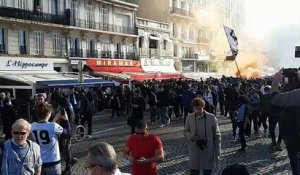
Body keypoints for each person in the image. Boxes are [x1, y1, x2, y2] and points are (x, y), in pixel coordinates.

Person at [271, 70, 300, 175]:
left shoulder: (293, 93)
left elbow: (274, 100)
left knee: (294, 159)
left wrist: (275, 83)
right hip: (292, 133)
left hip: (291, 135)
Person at [184, 98, 221, 175]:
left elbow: (217, 136)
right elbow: (185, 131)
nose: (197, 111)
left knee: (207, 171)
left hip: (208, 149)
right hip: (195, 150)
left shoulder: (211, 117)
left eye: (199, 109)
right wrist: (191, 135)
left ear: (203, 107)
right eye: (195, 109)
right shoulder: (189, 118)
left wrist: (217, 153)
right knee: (194, 171)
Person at [31, 102, 71, 175]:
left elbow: (45, 126)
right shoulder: (53, 126)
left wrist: (55, 119)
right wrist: (66, 119)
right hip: (53, 162)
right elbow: (67, 133)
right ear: (49, 113)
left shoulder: (32, 126)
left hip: (40, 162)